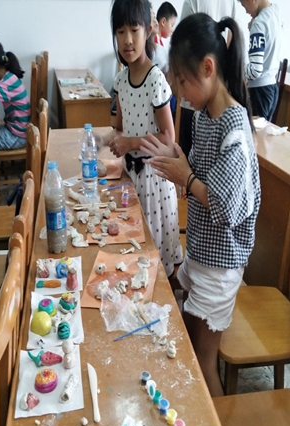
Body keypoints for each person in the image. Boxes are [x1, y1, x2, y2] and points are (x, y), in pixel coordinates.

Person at [140, 13, 261, 397]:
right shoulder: (205, 115)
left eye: (181, 80)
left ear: (208, 68)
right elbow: (197, 168)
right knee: (190, 348)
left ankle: (214, 419)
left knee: (204, 363)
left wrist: (186, 177)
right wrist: (175, 156)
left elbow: (226, 208)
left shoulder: (234, 127)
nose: (178, 90)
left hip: (221, 264)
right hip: (201, 252)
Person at [106, 0, 183, 278]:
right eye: (120, 32)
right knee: (134, 244)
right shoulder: (121, 80)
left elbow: (168, 138)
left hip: (155, 177)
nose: (127, 40)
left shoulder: (155, 80)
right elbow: (119, 128)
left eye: (134, 30)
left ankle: (164, 292)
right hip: (132, 175)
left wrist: (131, 143)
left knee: (156, 252)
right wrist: (108, 140)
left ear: (148, 30)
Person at [177, 0, 239, 157]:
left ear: (207, 68)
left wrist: (185, 171)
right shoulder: (201, 116)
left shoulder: (233, 124)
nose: (180, 94)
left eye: (183, 82)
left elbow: (184, 50)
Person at [239, 0, 282, 120]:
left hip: (259, 91)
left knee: (255, 131)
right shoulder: (276, 11)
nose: (246, 11)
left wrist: (237, 69)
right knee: (264, 130)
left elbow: (255, 70)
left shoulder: (259, 23)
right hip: (272, 87)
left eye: (244, 5)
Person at [153, 2, 177, 74]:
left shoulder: (159, 41)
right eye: (172, 25)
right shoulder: (154, 41)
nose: (172, 30)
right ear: (163, 22)